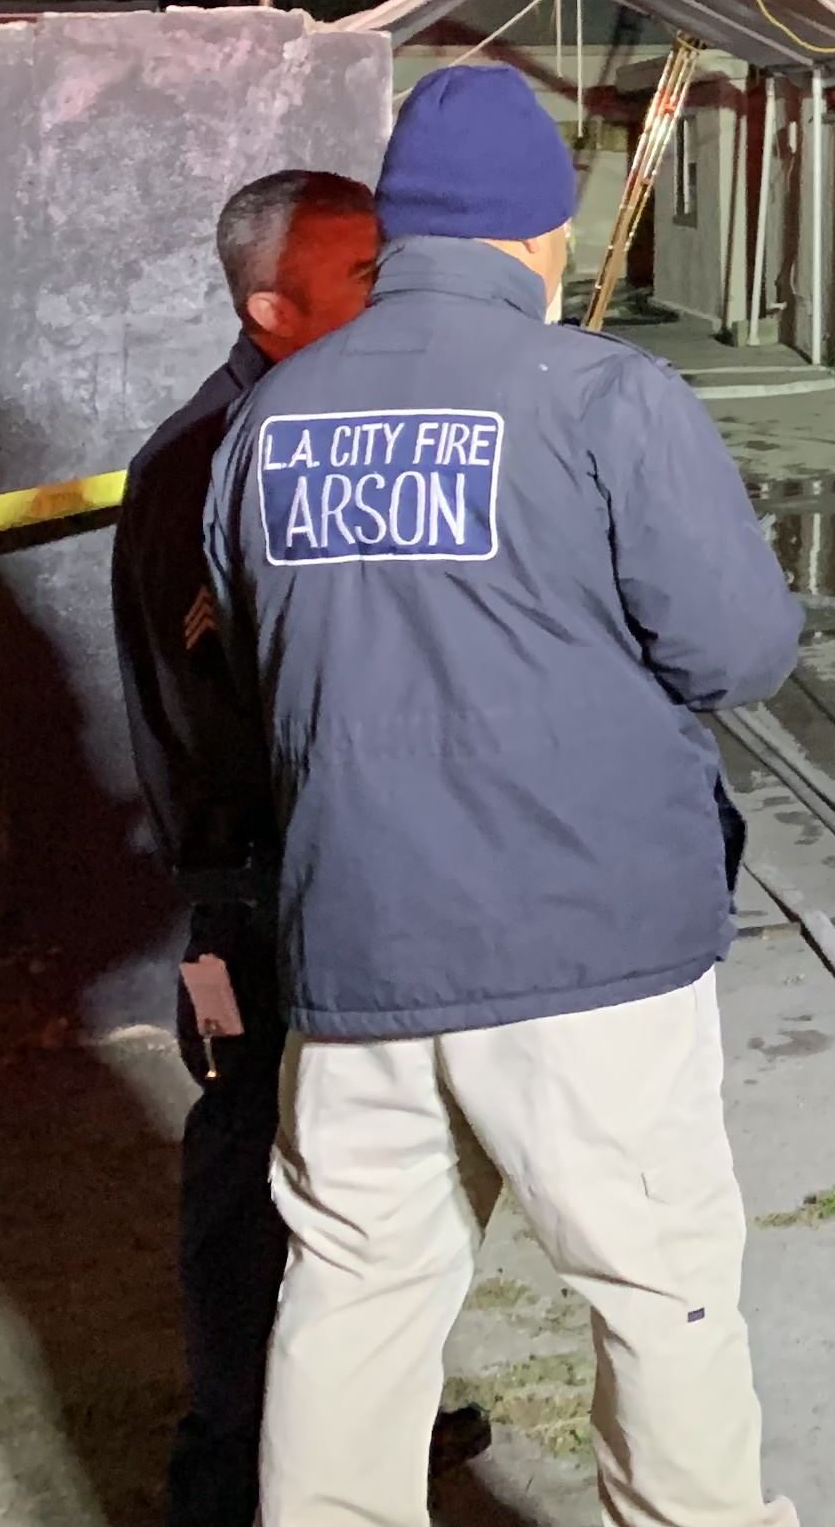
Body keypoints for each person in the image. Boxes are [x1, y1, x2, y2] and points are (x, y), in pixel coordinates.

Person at [205, 64, 807, 1527]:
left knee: (351, 1303)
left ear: (404, 233)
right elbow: (736, 653)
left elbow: (254, 670)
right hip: (585, 949)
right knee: (658, 1295)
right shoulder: (604, 392)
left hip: (358, 954)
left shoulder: (266, 425)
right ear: (541, 238)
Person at [111, 170, 495, 1525]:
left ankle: (368, 1403)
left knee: (378, 1156)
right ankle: (231, 1463)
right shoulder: (214, 463)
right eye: (360, 285)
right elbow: (245, 711)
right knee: (252, 1169)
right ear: (272, 308)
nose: (394, 305)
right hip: (266, 886)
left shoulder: (332, 431)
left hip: (354, 865)